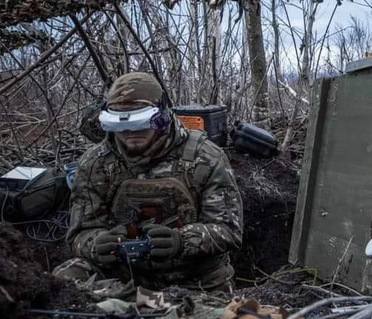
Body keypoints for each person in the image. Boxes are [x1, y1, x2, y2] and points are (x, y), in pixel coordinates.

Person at [53, 72, 243, 291]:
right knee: (66, 278)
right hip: (124, 274)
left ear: (161, 118)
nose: (130, 133)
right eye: (120, 126)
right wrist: (98, 244)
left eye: (140, 124)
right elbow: (78, 234)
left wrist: (182, 241)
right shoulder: (95, 164)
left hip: (196, 278)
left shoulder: (206, 157)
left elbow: (229, 230)